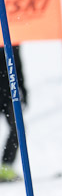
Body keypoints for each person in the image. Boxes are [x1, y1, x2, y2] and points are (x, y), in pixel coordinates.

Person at [0, 46, 27, 182]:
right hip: (6, 92)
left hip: (10, 95)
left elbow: (18, 67)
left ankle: (6, 167)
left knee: (18, 128)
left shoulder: (13, 40)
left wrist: (23, 90)